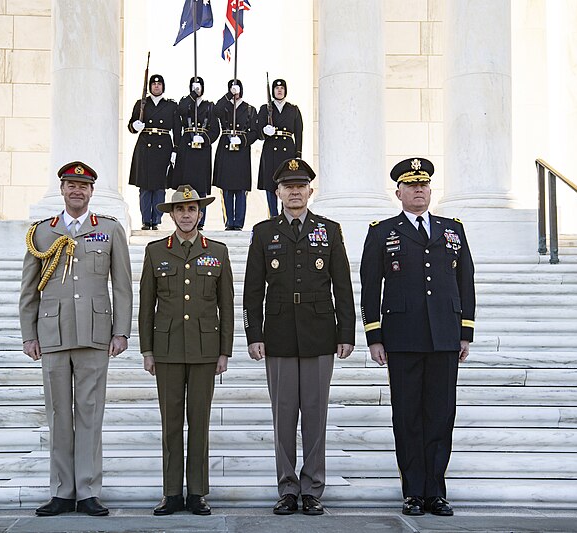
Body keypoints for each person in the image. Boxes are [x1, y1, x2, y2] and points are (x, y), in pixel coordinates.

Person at [359, 157, 476, 517]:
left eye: (423, 185)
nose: (419, 191)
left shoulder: (452, 229)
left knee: (440, 416)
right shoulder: (382, 231)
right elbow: (369, 287)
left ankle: (436, 491)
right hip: (403, 337)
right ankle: (412, 491)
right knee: (407, 416)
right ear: (399, 193)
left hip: (444, 336)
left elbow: (465, 282)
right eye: (411, 186)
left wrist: (465, 332)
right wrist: (374, 335)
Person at [242, 158, 355, 516]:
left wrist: (347, 331)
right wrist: (253, 334)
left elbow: (343, 287)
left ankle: (312, 489)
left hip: (320, 332)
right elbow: (251, 290)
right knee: (284, 415)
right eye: (287, 186)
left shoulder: (330, 229)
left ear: (310, 190)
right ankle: (288, 488)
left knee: (316, 417)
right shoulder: (263, 232)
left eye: (300, 185)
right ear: (277, 192)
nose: (294, 191)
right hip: (277, 335)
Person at [20, 161, 133, 517]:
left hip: (95, 335)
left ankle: (87, 490)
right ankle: (61, 491)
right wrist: (28, 334)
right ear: (62, 190)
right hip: (52, 334)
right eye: (70, 185)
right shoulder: (41, 232)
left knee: (90, 413)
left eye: (82, 186)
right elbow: (28, 290)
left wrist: (121, 331)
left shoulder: (110, 230)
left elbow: (123, 287)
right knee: (58, 415)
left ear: (91, 192)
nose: (76, 191)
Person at [139, 184, 235, 516]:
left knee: (199, 422)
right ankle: (171, 493)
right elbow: (146, 305)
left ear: (200, 213)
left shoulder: (218, 251)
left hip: (205, 349)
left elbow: (227, 305)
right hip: (166, 348)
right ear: (171, 214)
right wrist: (146, 350)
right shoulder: (155, 251)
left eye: (191, 209)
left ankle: (196, 492)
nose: (186, 214)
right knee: (170, 424)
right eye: (180, 210)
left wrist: (225, 351)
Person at [128, 73, 180, 230]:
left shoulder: (171, 106)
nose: (156, 86)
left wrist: (175, 150)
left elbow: (177, 129)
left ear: (163, 87)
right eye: (153, 83)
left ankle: (156, 220)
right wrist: (134, 126)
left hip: (163, 146)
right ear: (149, 86)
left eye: (159, 84)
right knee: (144, 186)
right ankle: (146, 220)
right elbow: (131, 125)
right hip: (145, 146)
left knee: (159, 187)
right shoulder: (142, 104)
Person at [170, 76, 220, 230]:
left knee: (200, 185)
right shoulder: (186, 102)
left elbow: (215, 130)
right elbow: (180, 110)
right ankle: (184, 218)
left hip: (202, 150)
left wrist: (204, 138)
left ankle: (200, 219)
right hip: (187, 147)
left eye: (198, 87)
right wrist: (192, 95)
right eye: (194, 87)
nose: (197, 89)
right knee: (186, 183)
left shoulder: (209, 106)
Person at [212, 79, 259, 231]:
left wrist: (243, 140)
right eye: (232, 88)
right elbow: (216, 110)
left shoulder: (250, 109)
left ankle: (238, 222)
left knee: (240, 188)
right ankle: (229, 221)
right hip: (226, 148)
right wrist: (228, 95)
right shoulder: (225, 107)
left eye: (237, 88)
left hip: (241, 150)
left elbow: (254, 132)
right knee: (226, 188)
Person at [257, 79, 303, 217]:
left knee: (286, 182)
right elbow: (257, 130)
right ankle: (273, 214)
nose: (279, 90)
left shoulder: (293, 109)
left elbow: (299, 132)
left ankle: (286, 213)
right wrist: (264, 131)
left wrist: (298, 153)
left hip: (287, 149)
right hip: (271, 148)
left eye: (282, 88)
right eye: (277, 88)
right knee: (270, 184)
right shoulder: (265, 108)